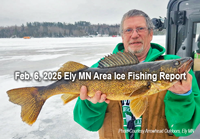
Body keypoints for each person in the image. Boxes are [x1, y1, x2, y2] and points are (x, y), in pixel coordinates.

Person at [73, 9, 200, 139]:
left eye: (140, 28)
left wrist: (182, 96)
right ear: (122, 37)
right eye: (128, 30)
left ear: (151, 34)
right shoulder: (98, 70)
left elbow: (184, 129)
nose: (134, 35)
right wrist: (92, 104)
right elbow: (89, 124)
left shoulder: (179, 73)